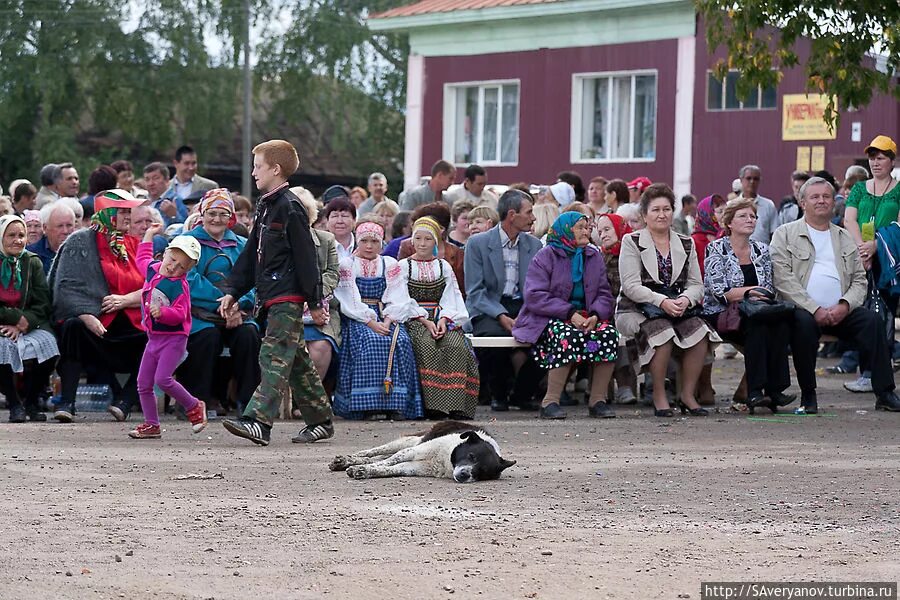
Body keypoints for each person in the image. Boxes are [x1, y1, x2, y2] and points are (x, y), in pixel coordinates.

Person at [218, 140, 335, 445]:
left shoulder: (290, 207)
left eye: (257, 166)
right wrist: (232, 290)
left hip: (288, 296)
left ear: (275, 169)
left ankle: (258, 420)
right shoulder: (267, 205)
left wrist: (315, 300)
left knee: (273, 356)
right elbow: (250, 256)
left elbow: (307, 258)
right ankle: (321, 420)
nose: (253, 172)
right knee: (294, 359)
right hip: (272, 295)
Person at [771, 176, 900, 414]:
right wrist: (814, 309)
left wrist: (844, 305)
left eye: (826, 196)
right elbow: (783, 279)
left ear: (834, 202)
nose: (821, 201)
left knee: (872, 320)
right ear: (803, 203)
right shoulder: (784, 234)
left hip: (841, 311)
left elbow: (859, 280)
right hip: (802, 311)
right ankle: (809, 396)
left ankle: (885, 392)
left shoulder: (844, 237)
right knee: (803, 324)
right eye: (815, 197)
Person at [616, 183, 720, 417]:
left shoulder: (686, 242)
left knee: (700, 331)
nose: (662, 214)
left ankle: (687, 394)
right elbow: (631, 286)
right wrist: (661, 301)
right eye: (655, 210)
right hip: (636, 308)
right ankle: (659, 394)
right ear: (644, 215)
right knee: (661, 332)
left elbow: (696, 284)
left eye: (666, 209)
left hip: (676, 305)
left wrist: (685, 299)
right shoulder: (631, 242)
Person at [50, 189, 148, 423]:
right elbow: (65, 287)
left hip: (130, 323)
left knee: (162, 338)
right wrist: (86, 315)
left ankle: (125, 400)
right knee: (73, 327)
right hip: (95, 322)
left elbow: (152, 286)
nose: (128, 216)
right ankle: (67, 403)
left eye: (128, 211)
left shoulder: (134, 244)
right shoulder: (80, 241)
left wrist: (125, 300)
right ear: (108, 213)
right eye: (122, 211)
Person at [513, 212, 620, 419]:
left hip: (587, 317)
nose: (586, 231)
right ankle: (550, 401)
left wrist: (596, 316)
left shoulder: (593, 255)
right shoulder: (546, 255)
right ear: (565, 230)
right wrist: (570, 313)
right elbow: (534, 295)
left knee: (608, 334)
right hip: (548, 317)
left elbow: (604, 293)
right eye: (580, 227)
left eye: (587, 227)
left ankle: (598, 400)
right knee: (567, 336)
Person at [702, 198, 795, 412]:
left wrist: (757, 295)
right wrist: (750, 292)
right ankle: (754, 392)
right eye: (743, 216)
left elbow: (768, 287)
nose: (750, 220)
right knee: (757, 325)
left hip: (756, 310)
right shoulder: (716, 248)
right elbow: (719, 292)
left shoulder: (762, 249)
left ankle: (773, 391)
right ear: (729, 222)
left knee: (779, 324)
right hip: (722, 312)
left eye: (753, 216)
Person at [178, 189, 261, 416]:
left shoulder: (243, 245)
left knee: (249, 336)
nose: (217, 219)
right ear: (202, 214)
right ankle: (198, 402)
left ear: (231, 217)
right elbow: (188, 279)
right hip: (200, 314)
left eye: (223, 214)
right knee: (207, 337)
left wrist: (236, 303)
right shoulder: (186, 242)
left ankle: (248, 403)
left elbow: (253, 281)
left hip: (236, 312)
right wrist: (223, 304)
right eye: (212, 213)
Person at [333, 221, 424, 420]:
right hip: (358, 316)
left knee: (401, 341)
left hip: (386, 314)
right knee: (370, 341)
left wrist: (389, 320)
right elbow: (349, 298)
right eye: (364, 241)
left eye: (374, 241)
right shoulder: (347, 264)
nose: (369, 246)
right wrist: (370, 322)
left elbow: (398, 294)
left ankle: (395, 404)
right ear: (357, 241)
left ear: (381, 243)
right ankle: (366, 405)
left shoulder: (389, 263)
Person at [465, 189, 544, 411]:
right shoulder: (477, 244)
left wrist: (526, 313)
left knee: (552, 335)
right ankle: (497, 394)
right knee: (491, 336)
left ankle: (522, 393)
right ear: (512, 215)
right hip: (489, 304)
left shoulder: (535, 245)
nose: (533, 218)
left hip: (525, 305)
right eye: (529, 212)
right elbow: (475, 291)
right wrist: (501, 315)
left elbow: (537, 289)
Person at [128, 227, 208, 439]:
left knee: (163, 379)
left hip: (174, 339)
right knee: (143, 383)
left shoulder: (179, 286)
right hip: (153, 339)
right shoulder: (154, 268)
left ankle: (194, 406)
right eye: (172, 260)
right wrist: (147, 235)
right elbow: (142, 258)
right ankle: (152, 424)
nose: (173, 267)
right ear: (164, 254)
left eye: (181, 267)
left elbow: (181, 314)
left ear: (188, 270)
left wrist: (162, 312)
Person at [837, 136, 900, 391]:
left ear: (891, 161)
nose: (875, 162)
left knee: (884, 317)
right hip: (859, 259)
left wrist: (877, 245)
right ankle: (865, 373)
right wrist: (863, 247)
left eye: (881, 157)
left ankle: (881, 376)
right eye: (872, 157)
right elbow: (848, 219)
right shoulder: (860, 188)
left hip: (888, 262)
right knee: (863, 315)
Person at [400, 216, 478, 419]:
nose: (422, 243)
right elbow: (400, 298)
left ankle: (456, 405)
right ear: (412, 240)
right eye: (418, 239)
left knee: (455, 344)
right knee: (426, 345)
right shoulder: (403, 266)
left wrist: (444, 319)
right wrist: (424, 319)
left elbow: (452, 296)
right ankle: (433, 406)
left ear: (436, 241)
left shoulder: (443, 266)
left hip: (442, 316)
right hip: (415, 319)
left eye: (428, 239)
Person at [0, 215, 59, 422]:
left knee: (50, 346)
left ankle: (32, 402)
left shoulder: (31, 261)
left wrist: (25, 322)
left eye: (21, 235)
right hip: (3, 324)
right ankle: (15, 403)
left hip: (29, 322)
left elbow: (43, 301)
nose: (18, 240)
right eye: (11, 236)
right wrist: (16, 318)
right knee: (3, 346)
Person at [290, 187, 341, 392]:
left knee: (319, 347)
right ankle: (290, 398)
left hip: (322, 306)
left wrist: (314, 295)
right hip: (287, 305)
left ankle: (309, 400)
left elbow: (332, 273)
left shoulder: (326, 240)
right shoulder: (277, 241)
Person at [595, 213, 636, 404]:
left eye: (607, 229)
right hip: (607, 310)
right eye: (600, 231)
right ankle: (622, 386)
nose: (603, 235)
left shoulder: (634, 253)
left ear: (619, 229)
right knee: (610, 329)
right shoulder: (600, 257)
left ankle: (651, 385)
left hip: (633, 306)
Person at [398, 202, 466, 293]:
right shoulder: (407, 249)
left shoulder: (457, 253)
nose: (422, 243)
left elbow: (459, 288)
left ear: (441, 229)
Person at [159, 145, 218, 225]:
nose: (191, 168)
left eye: (194, 163)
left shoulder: (209, 186)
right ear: (176, 163)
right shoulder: (166, 188)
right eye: (186, 163)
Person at [27, 203, 77, 274]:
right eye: (60, 226)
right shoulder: (30, 256)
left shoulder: (82, 253)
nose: (65, 231)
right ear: (45, 228)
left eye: (69, 225)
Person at [734, 165, 778, 243]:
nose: (752, 182)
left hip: (763, 252)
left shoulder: (768, 205)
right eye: (748, 178)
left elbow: (774, 234)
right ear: (741, 180)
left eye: (756, 179)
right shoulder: (733, 205)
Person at [691, 194, 726, 278]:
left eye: (727, 211)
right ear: (708, 214)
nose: (724, 215)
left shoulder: (726, 236)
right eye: (720, 211)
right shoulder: (695, 241)